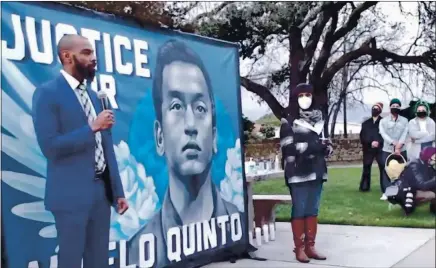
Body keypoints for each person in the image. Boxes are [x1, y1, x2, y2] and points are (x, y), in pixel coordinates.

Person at [128, 40, 239, 267]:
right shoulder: (137, 251)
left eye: (200, 108)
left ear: (215, 137)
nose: (191, 124)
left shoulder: (236, 224)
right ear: (159, 137)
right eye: (176, 106)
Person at [31, 35, 128, 268]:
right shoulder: (47, 93)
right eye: (86, 52)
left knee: (99, 261)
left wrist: (117, 191)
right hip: (69, 195)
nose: (93, 58)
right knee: (71, 261)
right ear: (67, 56)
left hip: (100, 194)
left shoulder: (94, 97)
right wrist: (92, 126)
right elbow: (50, 147)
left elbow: (106, 148)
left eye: (93, 53)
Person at [280, 83, 333, 263]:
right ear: (295, 98)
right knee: (300, 210)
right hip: (297, 173)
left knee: (312, 209)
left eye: (308, 94)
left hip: (317, 171)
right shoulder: (288, 121)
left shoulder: (319, 121)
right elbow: (289, 149)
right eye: (301, 95)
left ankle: (311, 246)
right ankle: (299, 248)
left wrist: (327, 147)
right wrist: (315, 146)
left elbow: (325, 145)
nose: (305, 98)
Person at [385, 147, 436, 215]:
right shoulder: (415, 165)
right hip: (404, 191)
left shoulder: (427, 165)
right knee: (432, 194)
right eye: (435, 156)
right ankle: (404, 205)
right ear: (428, 155)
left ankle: (433, 210)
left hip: (413, 189)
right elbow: (422, 185)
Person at [378, 98, 409, 192]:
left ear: (400, 108)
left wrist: (399, 145)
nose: (395, 108)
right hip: (387, 150)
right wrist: (393, 142)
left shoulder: (405, 120)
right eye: (393, 106)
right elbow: (383, 134)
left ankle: (401, 190)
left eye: (397, 106)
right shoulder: (383, 121)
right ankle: (387, 192)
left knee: (402, 170)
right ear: (390, 107)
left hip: (401, 150)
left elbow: (405, 133)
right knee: (386, 171)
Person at [359, 102, 385, 192]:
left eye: (376, 108)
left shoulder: (384, 122)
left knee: (383, 167)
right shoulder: (365, 123)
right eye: (373, 108)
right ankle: (364, 187)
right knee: (366, 167)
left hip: (380, 149)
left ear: (380, 111)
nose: (374, 110)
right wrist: (370, 143)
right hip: (368, 149)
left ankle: (385, 186)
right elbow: (362, 136)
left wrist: (379, 142)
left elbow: (385, 135)